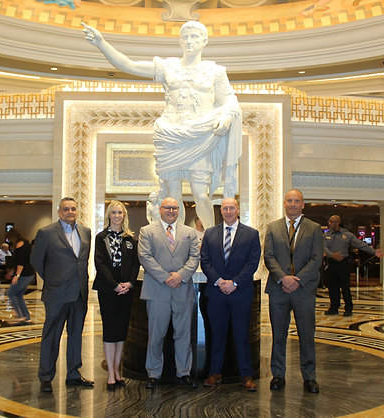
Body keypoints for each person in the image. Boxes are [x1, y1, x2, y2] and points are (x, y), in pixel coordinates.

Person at [83, 20, 242, 228]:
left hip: (201, 135)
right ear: (180, 41)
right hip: (170, 134)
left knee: (201, 195)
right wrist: (101, 43)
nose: (189, 41)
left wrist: (228, 116)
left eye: (194, 37)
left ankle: (211, 240)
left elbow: (230, 101)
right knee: (172, 197)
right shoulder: (168, 67)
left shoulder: (215, 71)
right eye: (185, 37)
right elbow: (129, 65)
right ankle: (176, 239)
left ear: (204, 41)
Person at [30, 197, 93, 393]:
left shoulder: (85, 232)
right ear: (59, 212)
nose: (70, 212)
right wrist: (53, 279)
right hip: (56, 294)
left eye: (73, 209)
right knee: (52, 335)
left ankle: (73, 374)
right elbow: (36, 260)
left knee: (75, 335)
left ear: (77, 211)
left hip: (79, 294)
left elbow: (82, 260)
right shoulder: (46, 233)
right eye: (66, 209)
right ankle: (46, 376)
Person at [264, 189, 323, 393]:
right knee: (278, 334)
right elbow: (269, 256)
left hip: (303, 290)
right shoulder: (273, 227)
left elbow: (316, 258)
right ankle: (278, 374)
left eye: (296, 201)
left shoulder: (314, 228)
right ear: (284, 203)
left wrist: (298, 280)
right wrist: (284, 278)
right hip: (278, 289)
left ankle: (309, 377)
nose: (292, 204)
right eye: (289, 200)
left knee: (306, 335)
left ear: (302, 204)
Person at [138, 197, 201, 389]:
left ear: (178, 210)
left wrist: (180, 276)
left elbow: (195, 257)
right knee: (156, 335)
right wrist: (166, 277)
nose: (171, 211)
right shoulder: (147, 231)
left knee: (183, 335)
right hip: (157, 291)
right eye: (167, 207)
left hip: (182, 290)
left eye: (174, 208)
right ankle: (153, 373)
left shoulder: (190, 232)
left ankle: (184, 373)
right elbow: (145, 257)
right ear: (160, 209)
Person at [200, 197, 261, 391]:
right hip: (216, 294)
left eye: (231, 208)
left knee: (241, 335)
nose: (228, 211)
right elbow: (205, 261)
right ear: (221, 211)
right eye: (225, 208)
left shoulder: (251, 234)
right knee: (216, 334)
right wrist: (219, 282)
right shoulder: (210, 233)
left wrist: (234, 283)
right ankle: (215, 373)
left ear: (238, 209)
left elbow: (252, 263)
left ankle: (246, 375)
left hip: (240, 293)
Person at [93, 201, 141, 390]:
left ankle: (117, 370)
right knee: (110, 330)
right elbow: (99, 263)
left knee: (121, 331)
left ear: (124, 215)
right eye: (113, 212)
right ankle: (110, 374)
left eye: (120, 212)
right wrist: (114, 285)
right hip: (108, 290)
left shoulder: (130, 239)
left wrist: (129, 283)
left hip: (126, 290)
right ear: (108, 215)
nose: (117, 216)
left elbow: (135, 263)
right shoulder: (101, 237)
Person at [323, 215, 384, 317]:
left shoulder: (347, 235)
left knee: (345, 287)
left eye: (332, 222)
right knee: (332, 287)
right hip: (331, 263)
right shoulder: (326, 235)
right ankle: (334, 307)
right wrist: (332, 255)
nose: (330, 224)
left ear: (337, 223)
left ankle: (348, 308)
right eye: (329, 222)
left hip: (343, 264)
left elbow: (360, 244)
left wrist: (374, 252)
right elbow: (324, 247)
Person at [5, 228, 34, 325]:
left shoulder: (20, 245)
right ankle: (26, 317)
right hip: (28, 273)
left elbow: (20, 263)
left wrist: (17, 275)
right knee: (18, 295)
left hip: (24, 274)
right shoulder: (26, 243)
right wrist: (12, 272)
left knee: (11, 293)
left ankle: (20, 316)